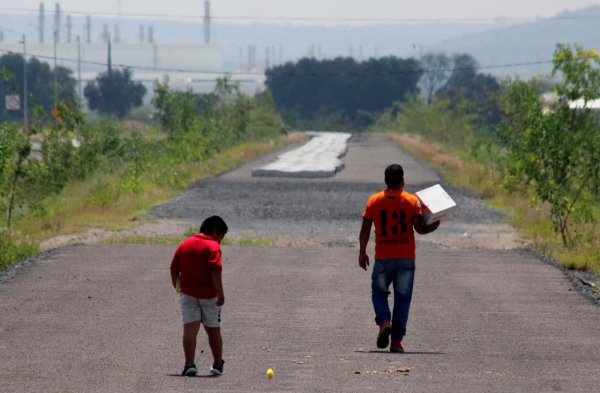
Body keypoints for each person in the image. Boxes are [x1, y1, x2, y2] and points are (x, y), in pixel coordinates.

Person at [358, 164, 440, 353]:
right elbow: (420, 228)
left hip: (383, 258)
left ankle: (384, 322)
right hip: (406, 259)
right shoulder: (412, 201)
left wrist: (362, 252)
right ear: (402, 180)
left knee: (378, 293)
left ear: (385, 181)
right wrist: (433, 226)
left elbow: (365, 230)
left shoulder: (374, 201)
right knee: (403, 299)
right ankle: (396, 342)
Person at [170, 215, 228, 376]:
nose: (220, 242)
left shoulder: (185, 244)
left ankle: (189, 364)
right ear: (215, 232)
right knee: (213, 329)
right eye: (221, 238)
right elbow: (214, 270)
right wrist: (220, 293)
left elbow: (174, 268)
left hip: (188, 294)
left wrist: (178, 287)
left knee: (190, 328)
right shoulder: (213, 246)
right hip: (209, 296)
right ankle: (217, 363)